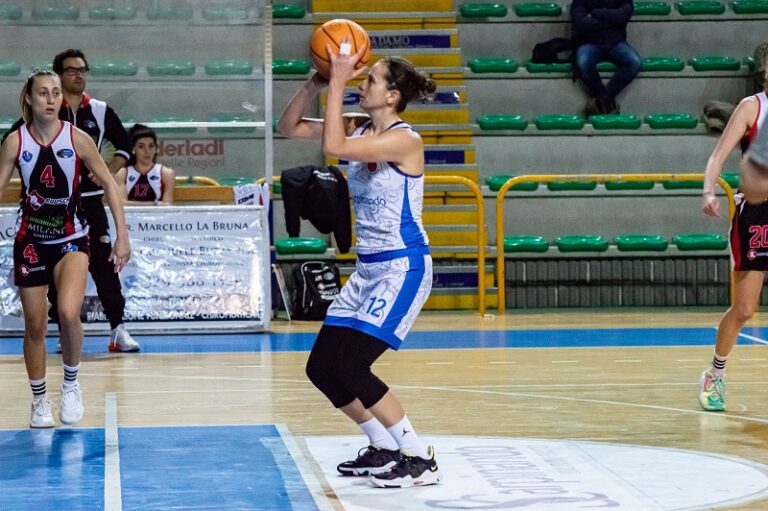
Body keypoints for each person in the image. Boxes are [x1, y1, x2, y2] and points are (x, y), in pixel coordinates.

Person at [277, 43, 440, 488]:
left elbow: (332, 144)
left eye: (370, 80)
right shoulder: (360, 128)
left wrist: (339, 78)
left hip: (402, 267)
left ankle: (416, 455)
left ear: (391, 96)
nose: (360, 84)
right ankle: (381, 444)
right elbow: (287, 126)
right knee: (321, 367)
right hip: (368, 269)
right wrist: (316, 82)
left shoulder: (406, 139)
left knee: (352, 366)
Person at [0, 69, 130, 427]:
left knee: (70, 313)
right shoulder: (15, 142)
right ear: (29, 98)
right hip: (31, 241)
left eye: (55, 92)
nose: (51, 98)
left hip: (72, 238)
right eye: (42, 93)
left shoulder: (78, 139)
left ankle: (71, 385)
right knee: (35, 326)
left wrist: (122, 234)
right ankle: (39, 399)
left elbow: (109, 183)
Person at [699, 54, 768, 411]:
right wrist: (709, 190)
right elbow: (717, 156)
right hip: (758, 212)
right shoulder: (751, 108)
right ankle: (716, 374)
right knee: (744, 309)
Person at [571, 0, 642, 115]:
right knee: (583, 62)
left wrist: (595, 13)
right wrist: (611, 21)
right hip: (589, 42)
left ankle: (602, 100)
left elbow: (624, 15)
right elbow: (580, 22)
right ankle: (607, 101)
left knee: (635, 62)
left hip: (616, 41)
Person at [114, 124, 175, 205]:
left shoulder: (166, 174)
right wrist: (154, 204)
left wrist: (134, 204)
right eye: (141, 146)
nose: (147, 151)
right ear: (133, 149)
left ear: (156, 149)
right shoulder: (122, 174)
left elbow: (167, 206)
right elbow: (121, 204)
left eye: (151, 146)